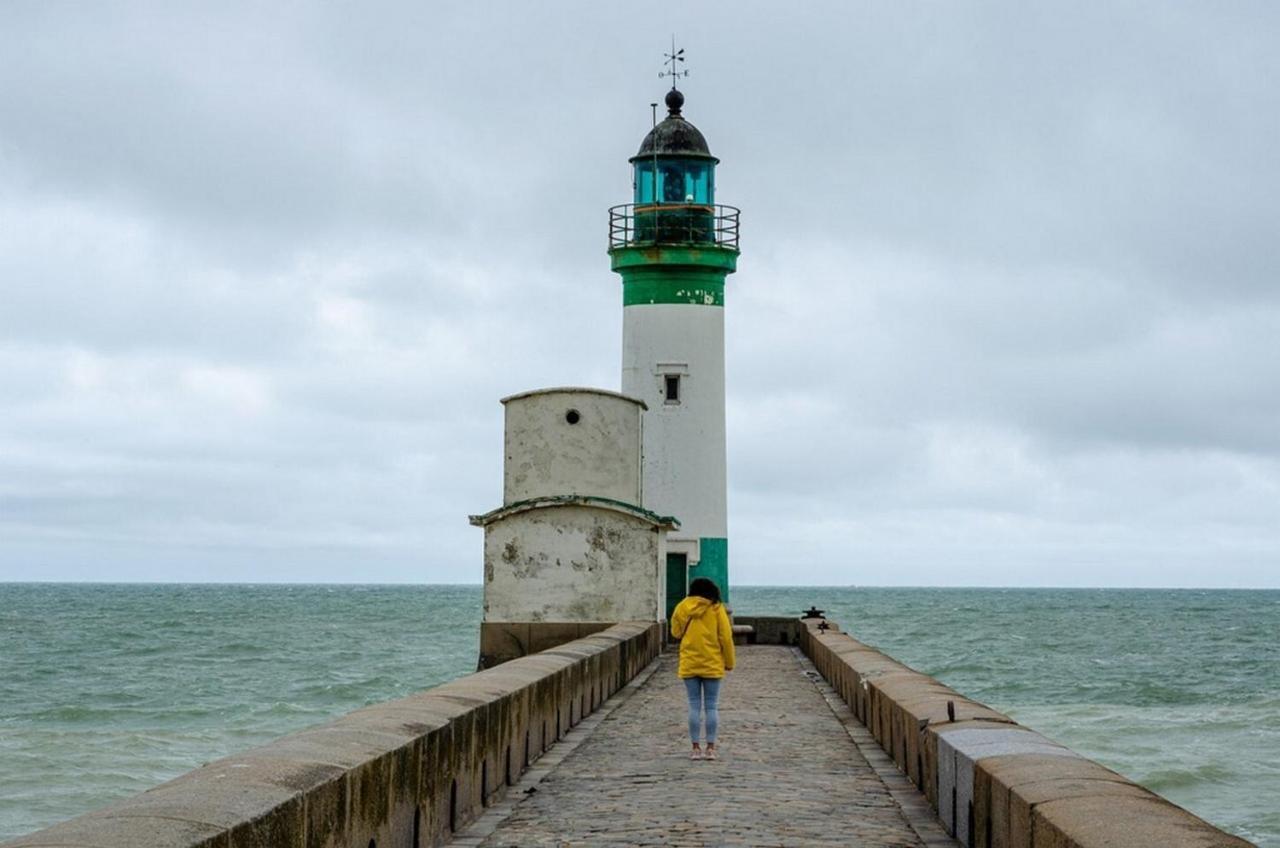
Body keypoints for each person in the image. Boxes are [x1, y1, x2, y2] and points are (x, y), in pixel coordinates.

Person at [669, 577, 736, 760]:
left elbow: (675, 632)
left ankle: (695, 748)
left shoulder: (683, 606)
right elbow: (726, 637)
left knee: (693, 705)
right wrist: (729, 661)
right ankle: (711, 749)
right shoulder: (716, 608)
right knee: (712, 706)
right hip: (712, 663)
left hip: (690, 662)